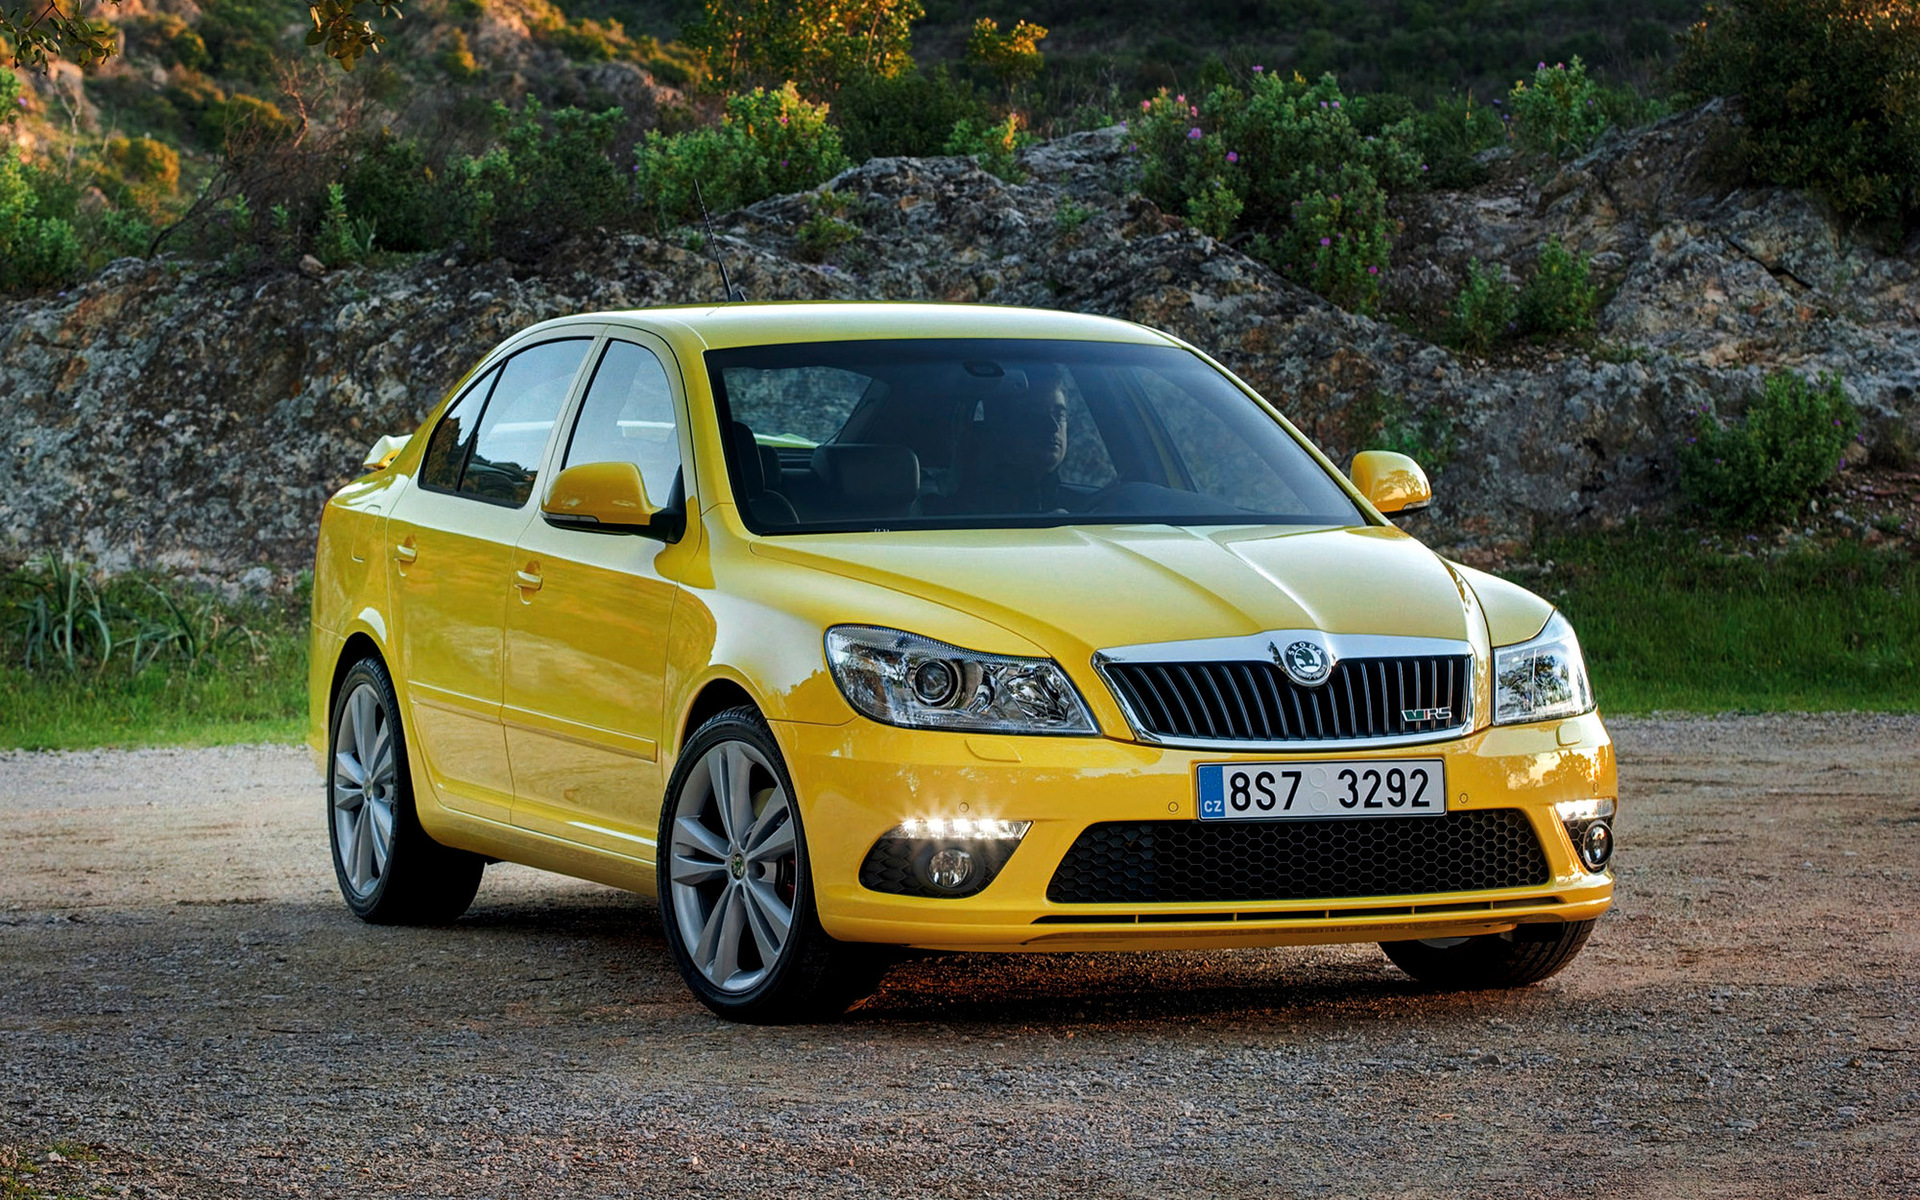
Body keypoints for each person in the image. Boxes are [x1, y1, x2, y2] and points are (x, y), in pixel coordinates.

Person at [938, 366, 1072, 515]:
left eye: (1059, 414)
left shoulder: (1080, 504)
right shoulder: (966, 512)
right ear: (1001, 426)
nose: (1052, 426)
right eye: (1035, 414)